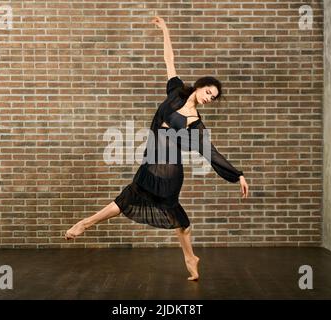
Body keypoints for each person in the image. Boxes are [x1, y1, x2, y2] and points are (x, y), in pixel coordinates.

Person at [65, 16, 249, 281]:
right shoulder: (175, 92)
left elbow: (211, 154)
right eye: (208, 91)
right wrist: (165, 30)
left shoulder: (196, 125)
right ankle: (86, 224)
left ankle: (189, 256)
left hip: (170, 174)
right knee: (125, 201)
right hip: (150, 164)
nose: (209, 98)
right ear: (198, 86)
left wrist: (238, 174)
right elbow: (169, 60)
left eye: (213, 97)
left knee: (178, 221)